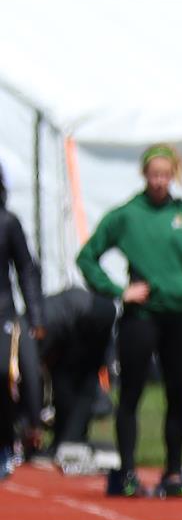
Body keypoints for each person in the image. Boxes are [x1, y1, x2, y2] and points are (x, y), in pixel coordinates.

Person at [78, 144, 182, 498]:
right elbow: (87, 257)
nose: (159, 182)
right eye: (153, 174)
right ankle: (126, 473)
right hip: (141, 318)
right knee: (130, 393)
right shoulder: (128, 215)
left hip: (181, 315)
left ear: (174, 176)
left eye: (165, 175)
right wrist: (119, 290)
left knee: (178, 395)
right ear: (144, 174)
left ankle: (174, 473)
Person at [37, 286, 116, 457]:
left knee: (67, 379)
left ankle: (68, 440)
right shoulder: (44, 315)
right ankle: (71, 438)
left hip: (88, 317)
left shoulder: (40, 324)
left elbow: (42, 365)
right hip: (98, 312)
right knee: (76, 379)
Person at [0, 168, 43, 476]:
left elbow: (26, 269)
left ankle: (6, 440)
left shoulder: (8, 222)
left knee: (5, 374)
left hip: (2, 312)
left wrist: (35, 314)